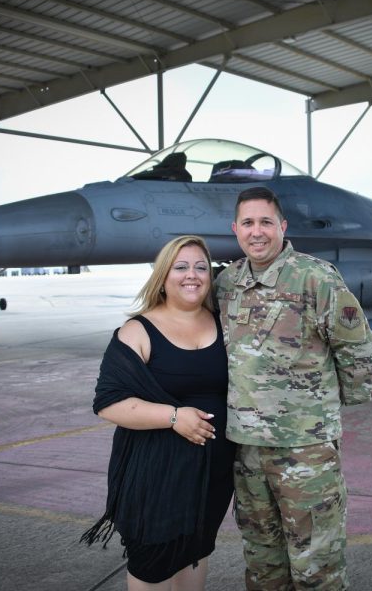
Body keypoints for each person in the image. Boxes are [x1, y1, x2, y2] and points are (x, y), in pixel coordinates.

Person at [215, 187, 372, 590]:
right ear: (235, 229)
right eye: (248, 223)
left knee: (316, 563)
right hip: (247, 450)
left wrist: (322, 412)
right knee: (262, 558)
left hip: (306, 452)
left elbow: (356, 345)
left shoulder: (315, 276)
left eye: (266, 222)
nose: (257, 232)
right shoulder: (226, 283)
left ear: (282, 227)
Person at [81, 235, 235, 591]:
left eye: (200, 267)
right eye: (180, 267)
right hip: (157, 477)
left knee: (195, 552)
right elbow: (108, 402)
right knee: (154, 565)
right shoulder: (138, 330)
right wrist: (174, 417)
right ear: (163, 277)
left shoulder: (224, 323)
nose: (191, 275)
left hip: (212, 476)